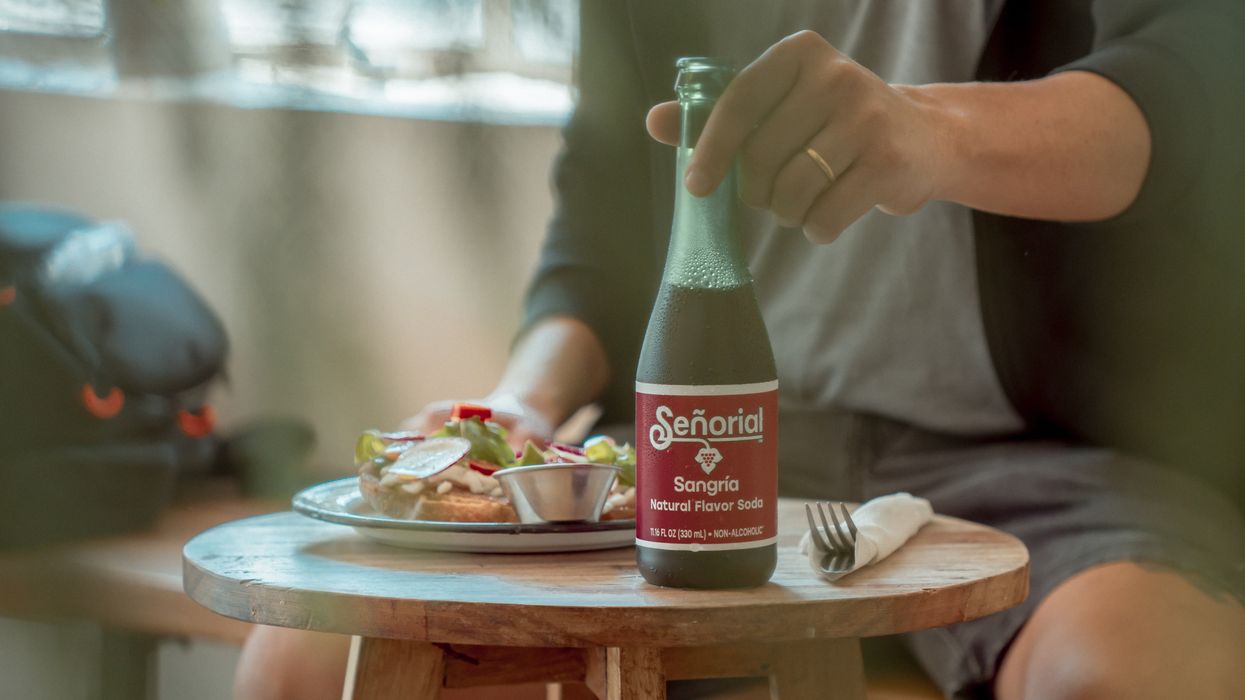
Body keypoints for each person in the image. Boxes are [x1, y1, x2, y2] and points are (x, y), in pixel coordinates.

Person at [236, 1, 1245, 698]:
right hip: (709, 447)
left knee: (1134, 667)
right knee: (304, 660)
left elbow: (1190, 92)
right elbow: (601, 232)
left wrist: (927, 130)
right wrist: (522, 410)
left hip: (1048, 458)